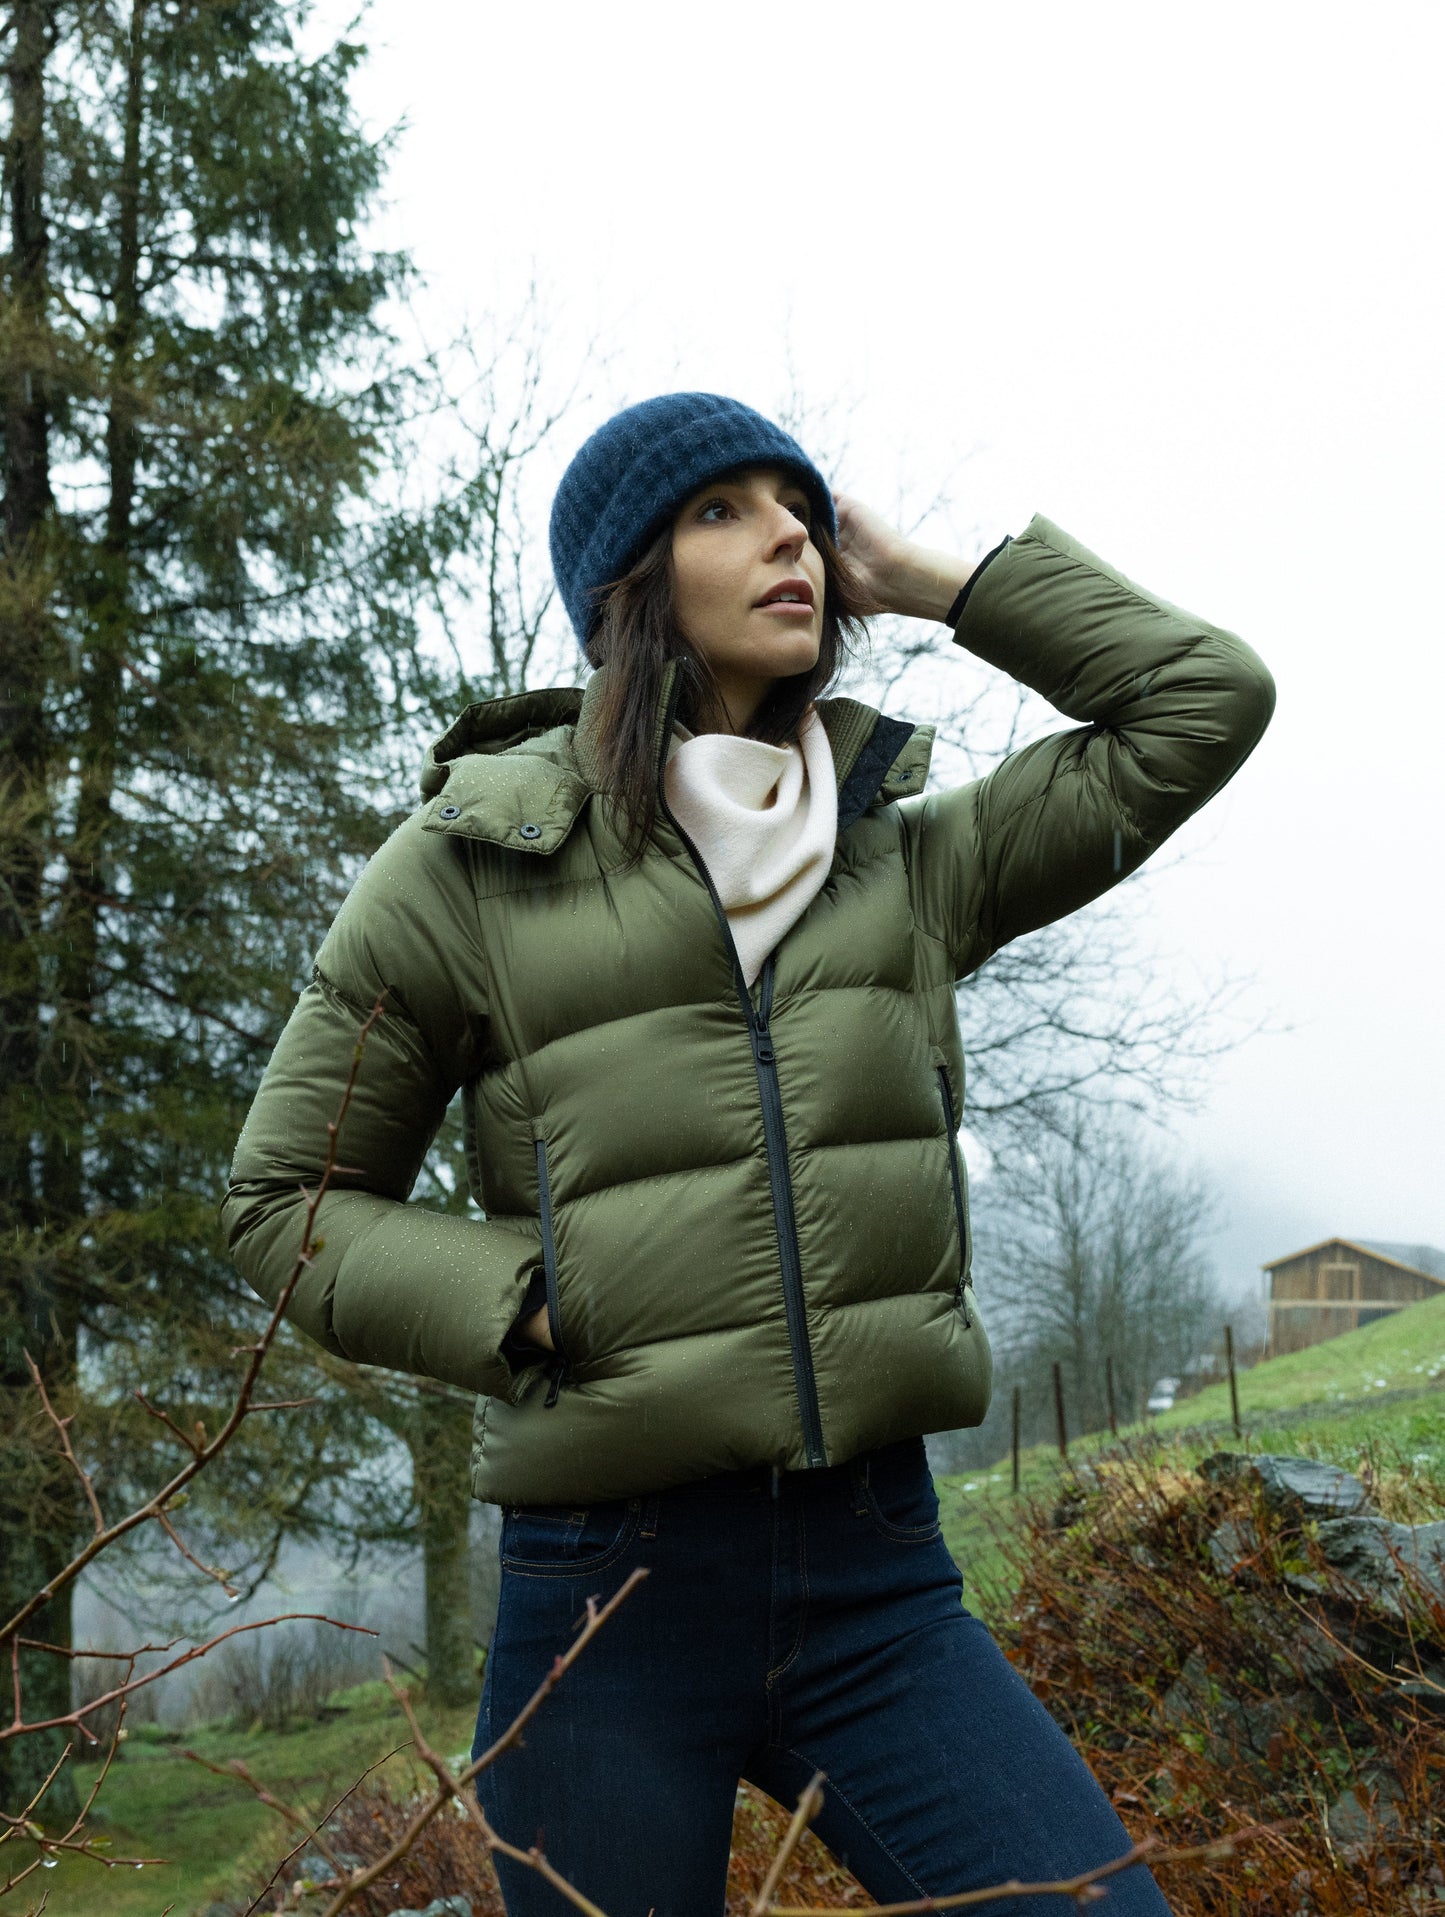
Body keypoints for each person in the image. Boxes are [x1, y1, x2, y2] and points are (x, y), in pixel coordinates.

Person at [223, 392, 1275, 1914]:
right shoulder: (465, 870)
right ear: (625, 590)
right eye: (722, 508)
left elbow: (1202, 698)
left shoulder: (903, 857)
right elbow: (284, 1202)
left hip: (879, 1579)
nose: (785, 528)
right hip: (605, 1597)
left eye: (797, 503)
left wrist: (928, 579)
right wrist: (538, 1302)